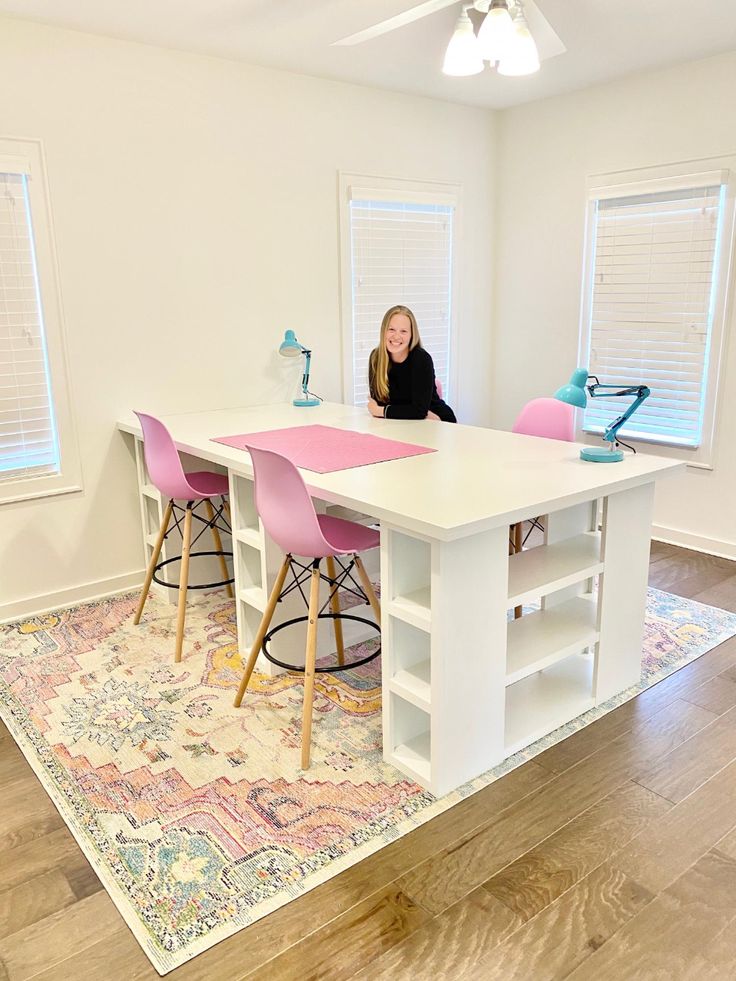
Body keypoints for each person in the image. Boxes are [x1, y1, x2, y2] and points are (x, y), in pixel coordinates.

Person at [367, 305, 457, 422]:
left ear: (411, 335)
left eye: (403, 331)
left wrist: (382, 411)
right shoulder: (376, 358)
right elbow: (378, 402)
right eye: (391, 329)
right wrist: (409, 411)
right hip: (401, 423)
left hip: (437, 420)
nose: (396, 336)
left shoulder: (421, 359)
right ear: (383, 331)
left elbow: (419, 411)